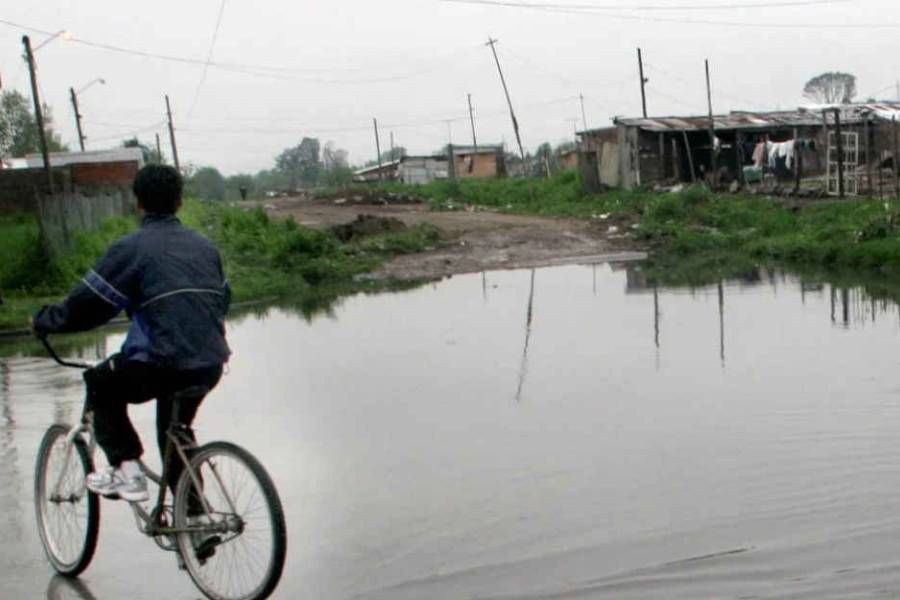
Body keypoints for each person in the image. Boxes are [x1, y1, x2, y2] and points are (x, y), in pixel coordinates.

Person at [32, 164, 231, 503]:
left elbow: (89, 305)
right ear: (180, 202)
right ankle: (196, 518)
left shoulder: (131, 249)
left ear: (137, 203)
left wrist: (47, 321)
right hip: (210, 362)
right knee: (175, 436)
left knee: (101, 383)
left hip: (161, 364)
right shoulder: (204, 247)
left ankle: (128, 470)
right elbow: (222, 300)